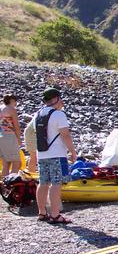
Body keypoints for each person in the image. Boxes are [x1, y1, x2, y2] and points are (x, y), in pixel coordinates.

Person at [35, 88, 77, 224]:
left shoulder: (38, 113)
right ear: (56, 99)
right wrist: (72, 151)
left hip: (41, 154)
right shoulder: (59, 114)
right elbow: (65, 135)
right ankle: (55, 214)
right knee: (56, 183)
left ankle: (42, 212)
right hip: (57, 154)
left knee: (43, 183)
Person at [0, 94, 22, 176]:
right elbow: (16, 126)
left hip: (1, 135)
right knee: (17, 163)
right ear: (12, 100)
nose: (16, 103)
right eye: (15, 101)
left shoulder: (1, 108)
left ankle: (4, 186)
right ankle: (12, 184)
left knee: (6, 163)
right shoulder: (11, 109)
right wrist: (19, 139)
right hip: (9, 136)